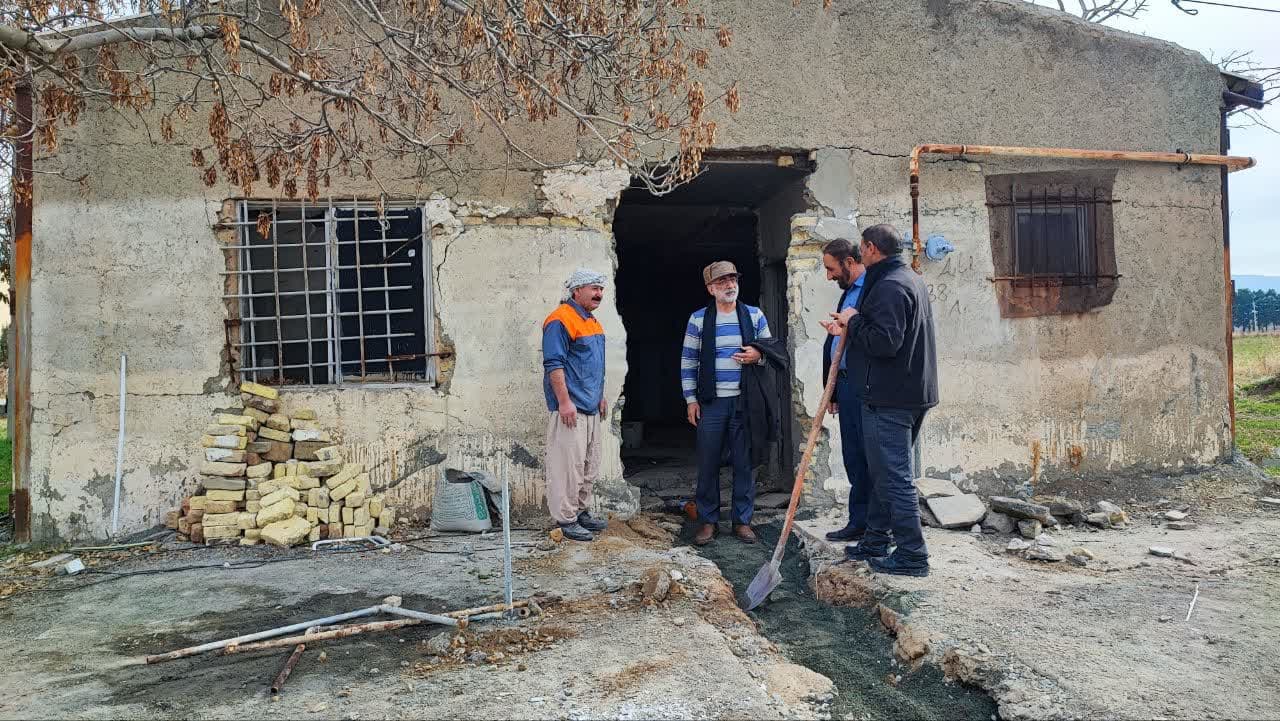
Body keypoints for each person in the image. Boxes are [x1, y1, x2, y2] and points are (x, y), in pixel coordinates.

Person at [823, 224, 938, 577]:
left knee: (893, 478)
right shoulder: (906, 279)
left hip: (891, 397)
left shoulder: (889, 286)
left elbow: (886, 342)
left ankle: (912, 555)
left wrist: (854, 320)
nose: (860, 253)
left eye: (862, 248)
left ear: (871, 248)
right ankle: (875, 540)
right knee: (882, 472)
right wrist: (849, 326)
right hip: (906, 392)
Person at [681, 261, 775, 546]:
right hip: (711, 403)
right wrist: (691, 400)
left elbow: (772, 351)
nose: (730, 285)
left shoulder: (754, 315)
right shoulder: (698, 319)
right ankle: (708, 522)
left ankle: (742, 522)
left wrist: (758, 356)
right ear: (710, 289)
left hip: (745, 402)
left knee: (744, 463)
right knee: (708, 462)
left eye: (733, 279)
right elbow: (688, 361)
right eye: (722, 281)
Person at [542, 268, 610, 542]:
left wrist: (600, 396)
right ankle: (566, 519)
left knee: (588, 466)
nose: (599, 294)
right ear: (576, 291)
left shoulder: (592, 321)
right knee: (568, 468)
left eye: (601, 289)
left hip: (590, 406)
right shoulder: (560, 320)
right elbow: (554, 364)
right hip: (571, 409)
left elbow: (595, 365)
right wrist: (564, 402)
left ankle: (581, 512)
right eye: (594, 288)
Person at [818, 238, 870, 544]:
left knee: (870, 456)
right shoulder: (848, 292)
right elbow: (841, 341)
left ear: (849, 262)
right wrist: (834, 390)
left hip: (867, 386)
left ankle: (878, 526)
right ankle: (859, 521)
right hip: (847, 384)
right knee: (853, 456)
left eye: (831, 269)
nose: (829, 276)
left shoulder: (872, 289)